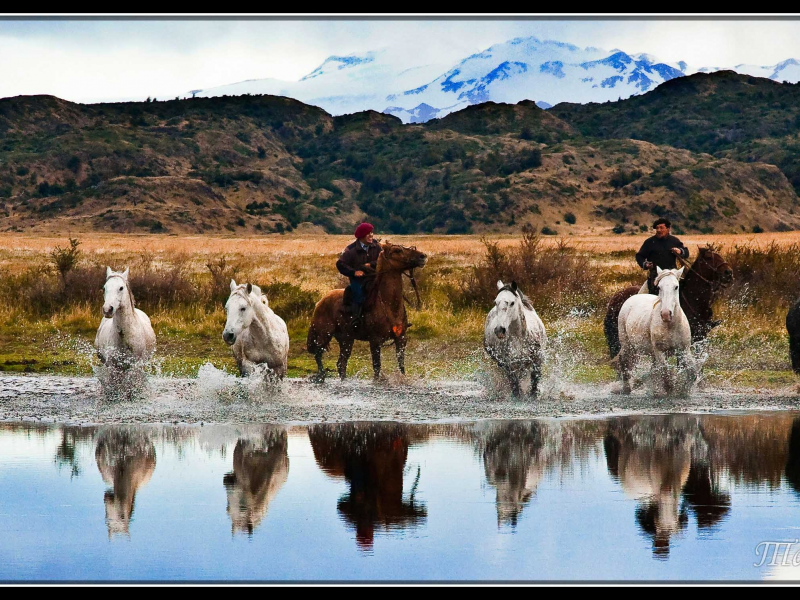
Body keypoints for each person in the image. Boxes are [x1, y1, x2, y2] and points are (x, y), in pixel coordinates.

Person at [336, 223, 381, 325]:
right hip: (358, 280)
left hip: (374, 278)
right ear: (361, 236)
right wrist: (354, 272)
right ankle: (356, 318)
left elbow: (382, 260)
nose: (371, 235)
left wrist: (371, 264)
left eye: (371, 232)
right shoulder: (350, 250)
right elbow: (340, 264)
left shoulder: (376, 246)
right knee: (359, 296)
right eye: (368, 233)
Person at [635, 218, 689, 295]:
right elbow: (639, 256)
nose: (659, 230)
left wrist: (680, 251)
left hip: (672, 276)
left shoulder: (674, 241)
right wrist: (645, 264)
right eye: (657, 228)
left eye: (661, 228)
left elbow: (686, 253)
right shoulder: (649, 242)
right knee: (640, 297)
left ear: (668, 229)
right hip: (655, 277)